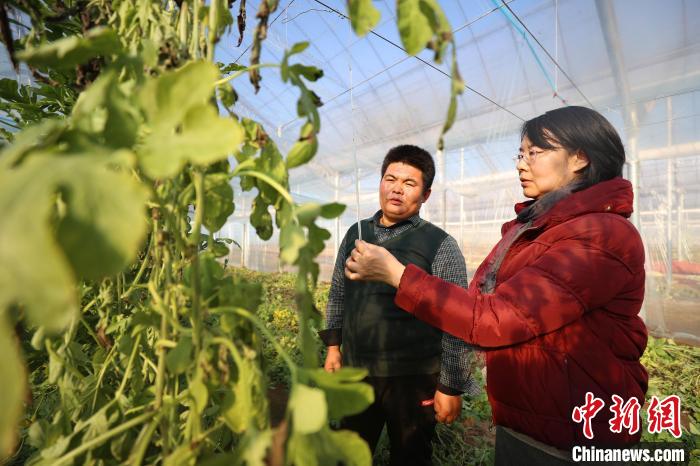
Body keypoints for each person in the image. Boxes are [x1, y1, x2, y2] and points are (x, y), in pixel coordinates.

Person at [344, 107, 648, 465]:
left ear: (580, 158)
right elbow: (478, 306)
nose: (521, 164)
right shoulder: (539, 228)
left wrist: (398, 276)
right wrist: (335, 343)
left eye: (533, 153)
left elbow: (493, 317)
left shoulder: (598, 234)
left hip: (574, 430)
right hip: (534, 417)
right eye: (520, 154)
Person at [319, 145, 478, 466]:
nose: (397, 188)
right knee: (348, 451)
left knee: (411, 456)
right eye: (390, 178)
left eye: (409, 183)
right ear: (380, 182)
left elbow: (457, 320)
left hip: (413, 377)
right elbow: (339, 292)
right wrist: (334, 347)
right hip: (357, 369)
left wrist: (450, 385)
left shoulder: (439, 245)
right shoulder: (356, 234)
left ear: (426, 195)